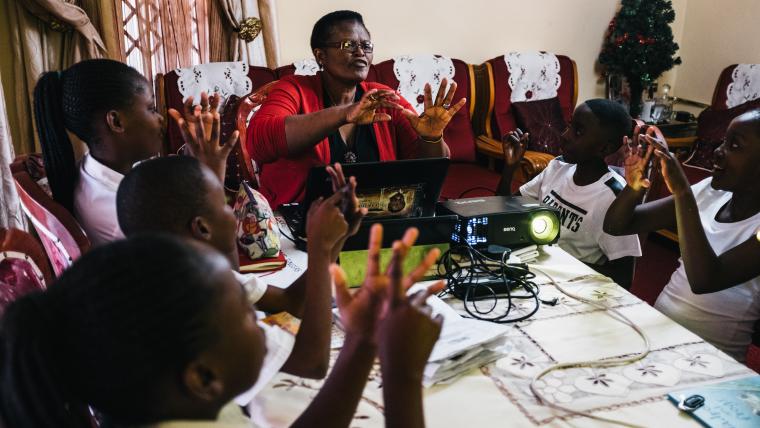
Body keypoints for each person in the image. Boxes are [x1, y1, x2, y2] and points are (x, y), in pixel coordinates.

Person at [0, 229, 443, 427]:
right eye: (248, 319)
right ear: (204, 376)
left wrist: (364, 340)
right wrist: (402, 376)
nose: (265, 324)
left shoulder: (172, 408)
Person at [116, 156, 364, 378]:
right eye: (225, 204)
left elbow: (293, 301)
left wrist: (337, 238)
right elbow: (311, 362)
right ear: (202, 228)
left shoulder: (191, 273)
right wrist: (319, 247)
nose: (235, 212)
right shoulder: (203, 302)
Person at [248, 10, 466, 208]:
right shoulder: (294, 88)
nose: (360, 52)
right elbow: (259, 142)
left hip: (374, 218)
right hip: (306, 219)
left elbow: (428, 172)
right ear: (320, 55)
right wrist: (344, 114)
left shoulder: (382, 97)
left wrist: (432, 138)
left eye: (366, 46)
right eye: (348, 45)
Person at [604, 110, 760, 361]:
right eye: (723, 141)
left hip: (711, 359)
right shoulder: (710, 192)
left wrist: (682, 192)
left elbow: (705, 280)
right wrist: (634, 185)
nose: (719, 151)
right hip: (658, 336)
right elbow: (617, 225)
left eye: (734, 146)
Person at [33, 58, 235, 246]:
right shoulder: (118, 214)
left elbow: (176, 198)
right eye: (151, 108)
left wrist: (196, 153)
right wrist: (215, 177)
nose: (161, 119)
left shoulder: (101, 169)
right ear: (117, 122)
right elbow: (213, 265)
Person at [496, 99, 642, 286]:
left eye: (578, 132)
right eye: (569, 126)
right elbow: (502, 212)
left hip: (572, 288)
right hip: (534, 275)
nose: (565, 135)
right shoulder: (558, 167)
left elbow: (623, 278)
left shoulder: (615, 198)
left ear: (605, 148)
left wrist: (555, 263)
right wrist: (510, 167)